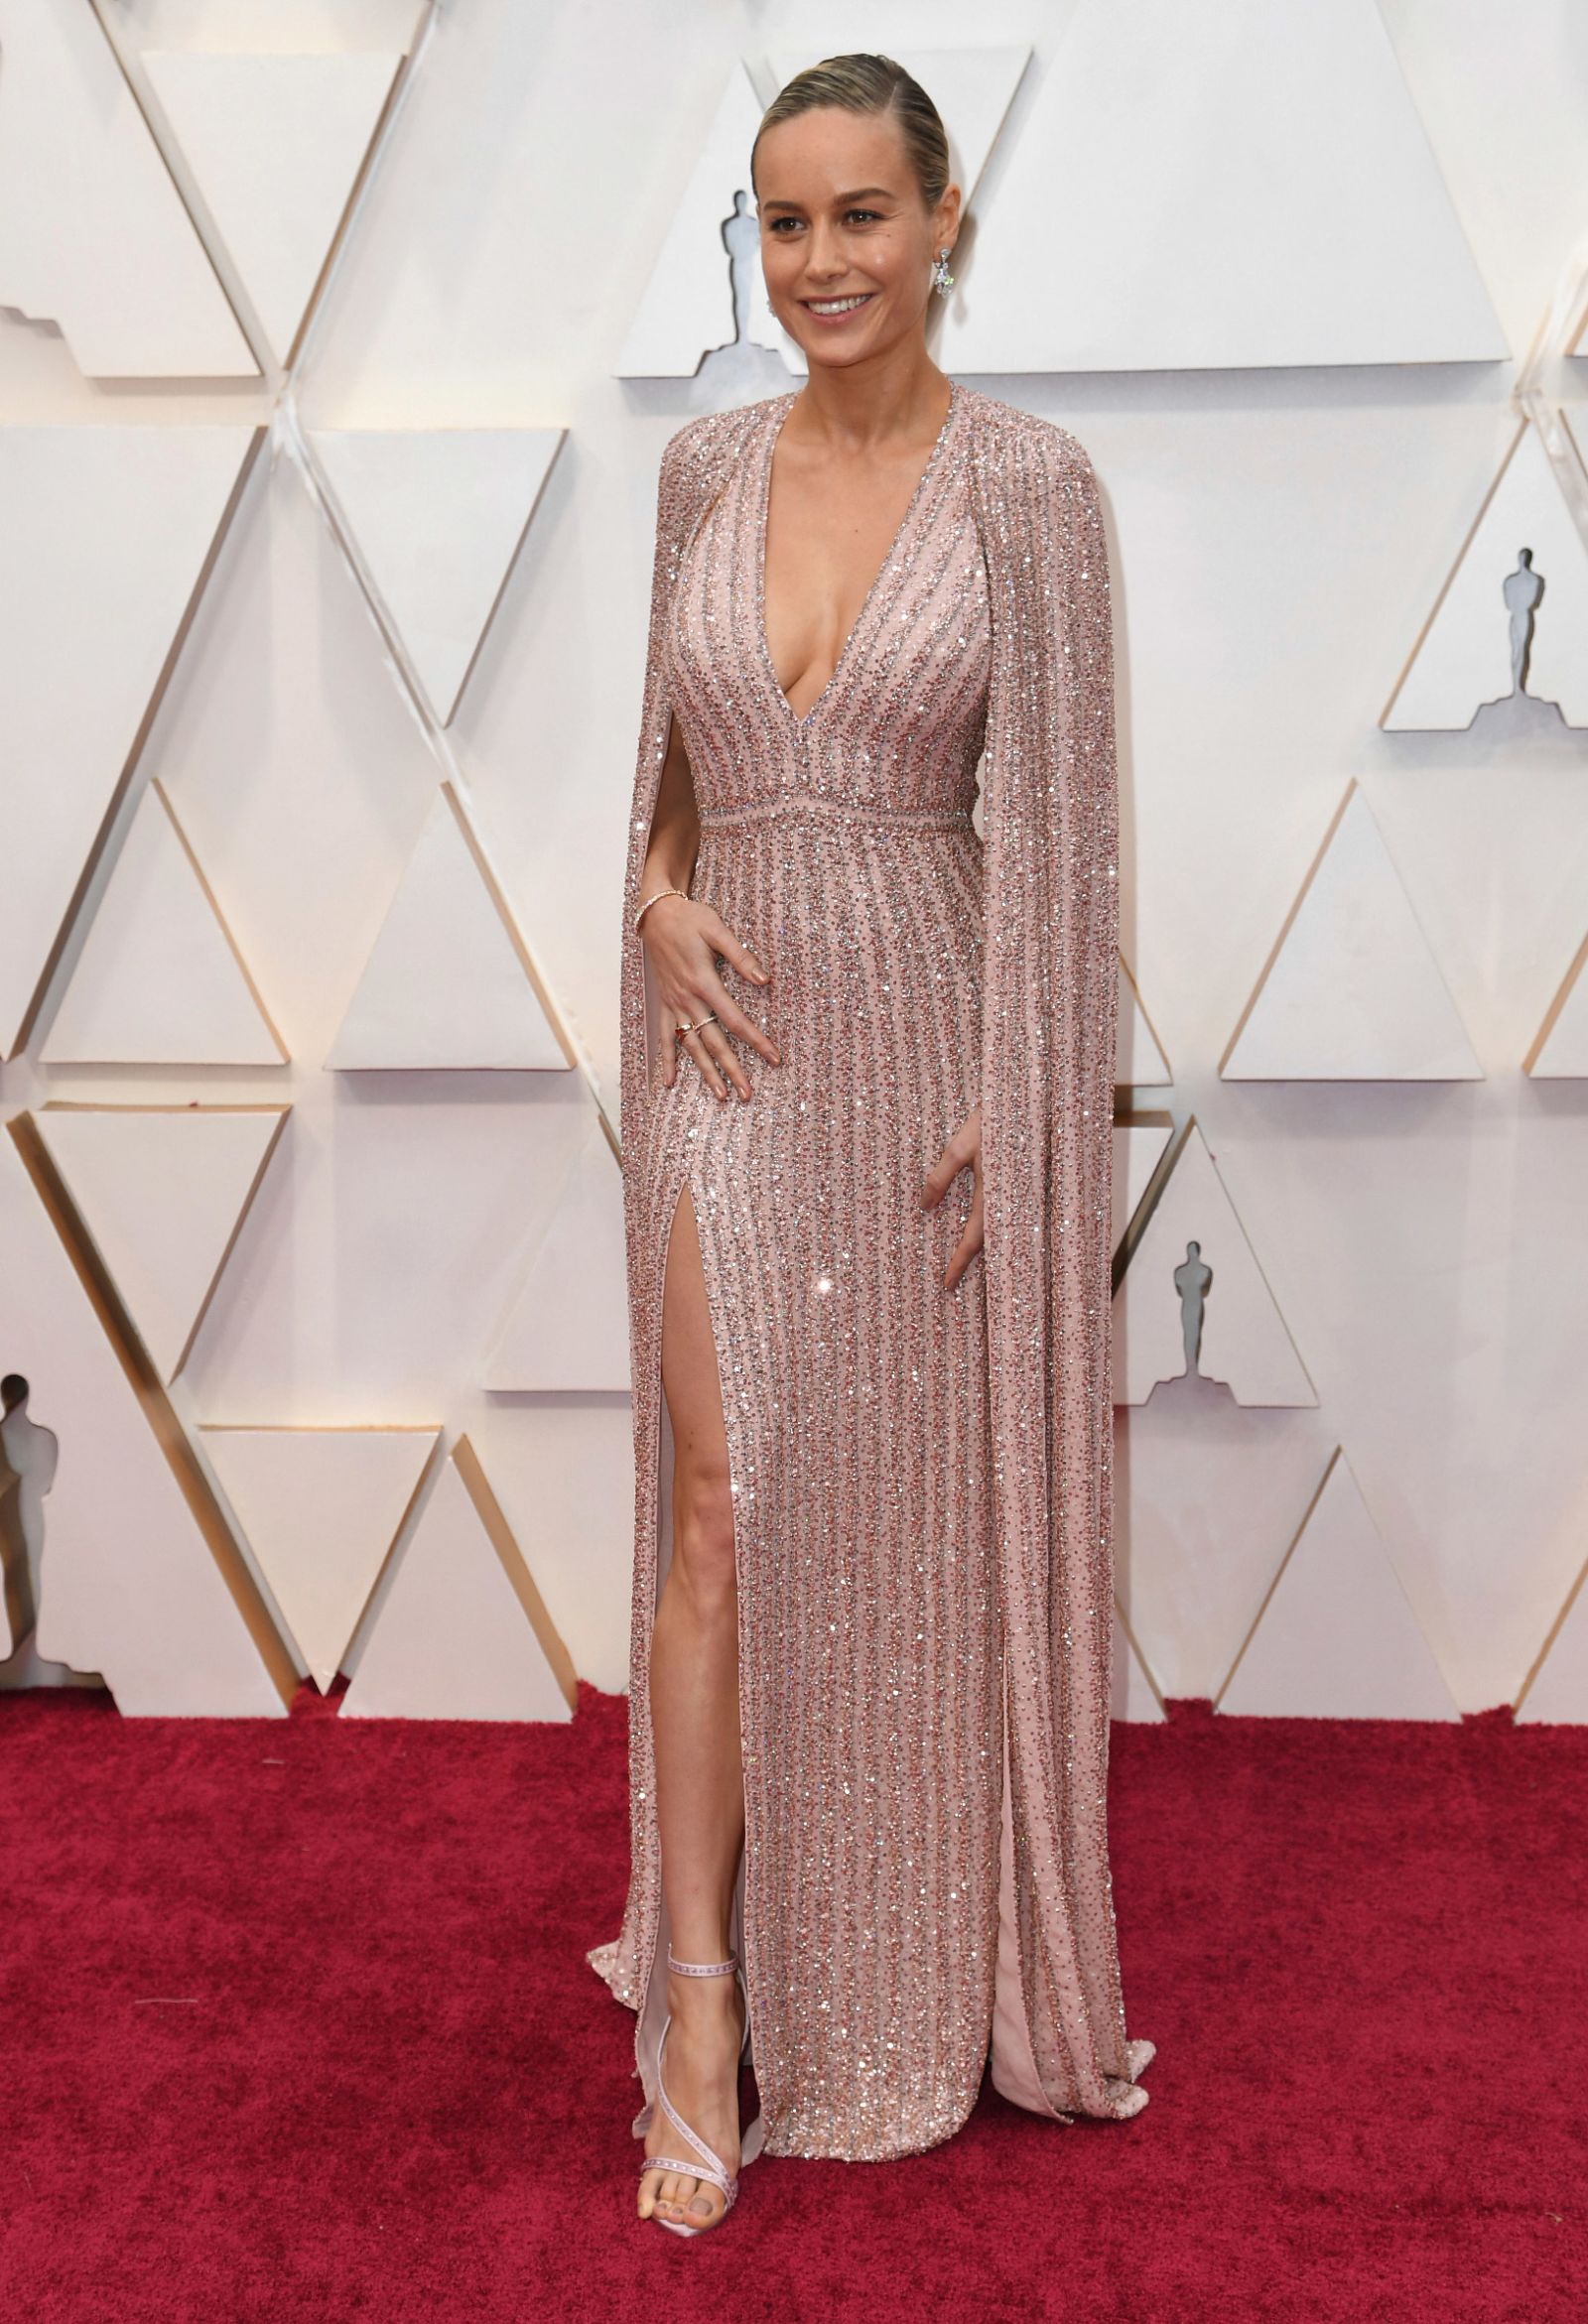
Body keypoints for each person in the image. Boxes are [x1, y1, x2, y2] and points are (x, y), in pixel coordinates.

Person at [590, 53, 1155, 2238]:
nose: (821, 260)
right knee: (719, 1509)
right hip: (726, 1055)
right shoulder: (699, 472)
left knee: (892, 1552)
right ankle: (704, 2005)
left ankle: (894, 1958)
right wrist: (655, 897)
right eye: (786, 220)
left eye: (860, 214)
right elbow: (663, 785)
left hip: (929, 1073)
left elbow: (1062, 842)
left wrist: (1020, 1105)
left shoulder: (1031, 489)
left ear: (942, 226)